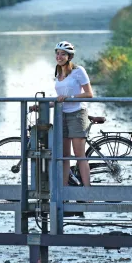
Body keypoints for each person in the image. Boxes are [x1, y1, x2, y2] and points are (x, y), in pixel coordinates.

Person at [53, 41, 94, 186]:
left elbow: (89, 94)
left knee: (79, 156)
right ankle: (64, 191)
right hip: (62, 115)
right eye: (57, 53)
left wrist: (70, 97)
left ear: (69, 57)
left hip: (77, 115)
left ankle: (88, 192)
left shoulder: (78, 71)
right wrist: (42, 105)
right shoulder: (58, 73)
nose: (59, 57)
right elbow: (61, 97)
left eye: (63, 54)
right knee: (64, 156)